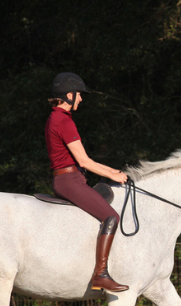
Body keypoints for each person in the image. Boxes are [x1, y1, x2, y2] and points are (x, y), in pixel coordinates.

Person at [45, 72, 130, 292]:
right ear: (68, 95)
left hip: (68, 177)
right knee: (111, 216)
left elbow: (84, 161)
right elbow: (84, 160)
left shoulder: (57, 118)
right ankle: (100, 274)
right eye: (79, 95)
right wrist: (113, 176)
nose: (81, 99)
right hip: (69, 180)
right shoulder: (63, 121)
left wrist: (114, 171)